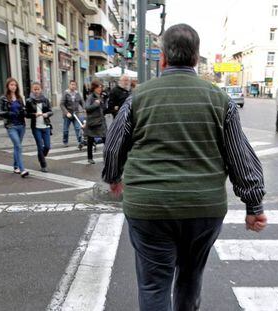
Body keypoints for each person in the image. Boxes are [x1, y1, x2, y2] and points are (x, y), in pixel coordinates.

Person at [102, 24, 267, 311]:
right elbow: (240, 156)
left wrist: (114, 177)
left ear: (163, 58)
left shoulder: (138, 98)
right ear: (195, 58)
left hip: (150, 207)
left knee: (154, 285)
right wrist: (254, 206)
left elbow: (114, 145)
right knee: (191, 278)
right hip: (203, 208)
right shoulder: (221, 101)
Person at [0, 78, 29, 178]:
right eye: (11, 85)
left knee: (17, 146)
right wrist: (9, 113)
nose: (13, 87)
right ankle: (22, 170)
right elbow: (0, 112)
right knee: (18, 146)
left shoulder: (19, 97)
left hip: (21, 125)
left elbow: (24, 109)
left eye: (15, 85)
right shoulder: (3, 98)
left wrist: (24, 112)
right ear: (7, 86)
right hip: (11, 126)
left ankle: (16, 166)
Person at [25, 82, 53, 172]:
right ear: (32, 90)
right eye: (35, 89)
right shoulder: (29, 101)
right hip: (36, 127)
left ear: (41, 90)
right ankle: (43, 165)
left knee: (47, 146)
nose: (36, 91)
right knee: (40, 146)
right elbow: (26, 114)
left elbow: (51, 111)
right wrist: (34, 115)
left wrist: (47, 114)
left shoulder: (45, 99)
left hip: (46, 126)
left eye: (38, 89)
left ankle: (41, 156)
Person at [84, 80, 107, 164]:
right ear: (94, 88)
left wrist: (105, 102)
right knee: (90, 139)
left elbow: (104, 108)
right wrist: (95, 104)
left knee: (105, 139)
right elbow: (86, 107)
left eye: (101, 87)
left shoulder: (101, 96)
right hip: (93, 122)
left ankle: (107, 156)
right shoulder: (91, 97)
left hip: (101, 121)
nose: (100, 89)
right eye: (98, 87)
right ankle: (90, 158)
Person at [60, 80, 85, 149]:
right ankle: (65, 141)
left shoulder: (77, 93)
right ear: (69, 85)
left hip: (76, 114)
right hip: (67, 115)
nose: (73, 86)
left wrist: (84, 108)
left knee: (78, 128)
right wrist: (66, 112)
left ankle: (80, 142)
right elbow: (62, 104)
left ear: (76, 86)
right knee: (66, 129)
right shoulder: (66, 93)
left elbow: (82, 102)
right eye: (71, 84)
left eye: (74, 85)